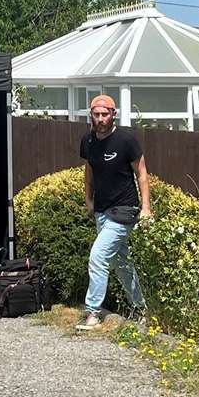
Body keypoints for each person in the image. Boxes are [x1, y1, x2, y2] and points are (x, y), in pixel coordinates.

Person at [75, 94, 150, 331]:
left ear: (113, 114)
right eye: (96, 115)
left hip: (125, 209)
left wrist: (146, 208)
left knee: (98, 257)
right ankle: (141, 309)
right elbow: (89, 172)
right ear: (91, 116)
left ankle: (93, 313)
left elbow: (142, 174)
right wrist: (88, 199)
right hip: (102, 210)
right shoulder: (88, 141)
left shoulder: (126, 140)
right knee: (122, 263)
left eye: (104, 114)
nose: (100, 119)